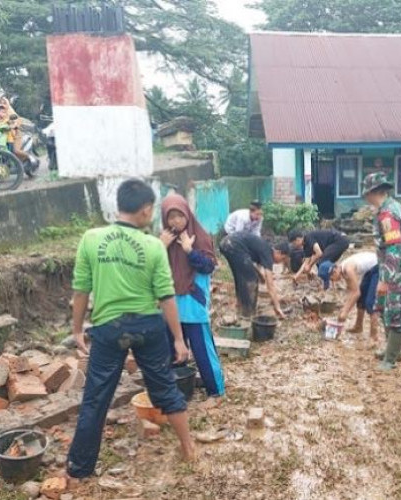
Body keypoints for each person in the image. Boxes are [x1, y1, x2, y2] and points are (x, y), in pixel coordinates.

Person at [66, 179, 195, 480]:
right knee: (164, 387)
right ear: (146, 209)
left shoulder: (91, 238)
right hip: (148, 327)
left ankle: (80, 468)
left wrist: (76, 330)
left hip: (108, 328)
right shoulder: (152, 245)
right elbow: (166, 297)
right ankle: (188, 449)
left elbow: (81, 290)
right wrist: (178, 339)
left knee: (96, 397)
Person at [160, 194, 225, 400]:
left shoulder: (199, 236)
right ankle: (179, 389)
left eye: (180, 216)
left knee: (202, 348)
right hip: (171, 303)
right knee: (172, 348)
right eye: (171, 217)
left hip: (193, 300)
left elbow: (208, 266)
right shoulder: (163, 239)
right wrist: (160, 247)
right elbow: (151, 269)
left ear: (188, 215)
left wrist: (189, 250)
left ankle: (215, 390)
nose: (175, 221)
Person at [361, 172, 401, 371]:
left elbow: (394, 247)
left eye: (366, 193)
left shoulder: (387, 214)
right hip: (392, 269)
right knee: (385, 307)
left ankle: (391, 358)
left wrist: (386, 279)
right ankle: (391, 350)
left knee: (395, 311)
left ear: (373, 192)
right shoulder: (392, 206)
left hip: (398, 271)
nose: (366, 198)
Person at [219, 232, 289, 319]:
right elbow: (270, 285)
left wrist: (260, 275)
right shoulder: (268, 254)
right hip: (233, 245)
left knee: (240, 277)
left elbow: (252, 264)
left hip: (226, 243)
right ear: (278, 252)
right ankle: (248, 313)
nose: (280, 262)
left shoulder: (264, 247)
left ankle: (240, 304)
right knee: (251, 280)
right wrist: (277, 307)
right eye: (282, 258)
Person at [318, 251, 380, 341]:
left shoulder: (348, 269)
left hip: (378, 266)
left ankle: (374, 336)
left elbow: (356, 292)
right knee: (361, 299)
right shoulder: (343, 270)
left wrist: (344, 312)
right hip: (370, 270)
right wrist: (344, 309)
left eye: (331, 279)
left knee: (370, 303)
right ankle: (358, 327)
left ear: (334, 271)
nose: (333, 281)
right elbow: (352, 291)